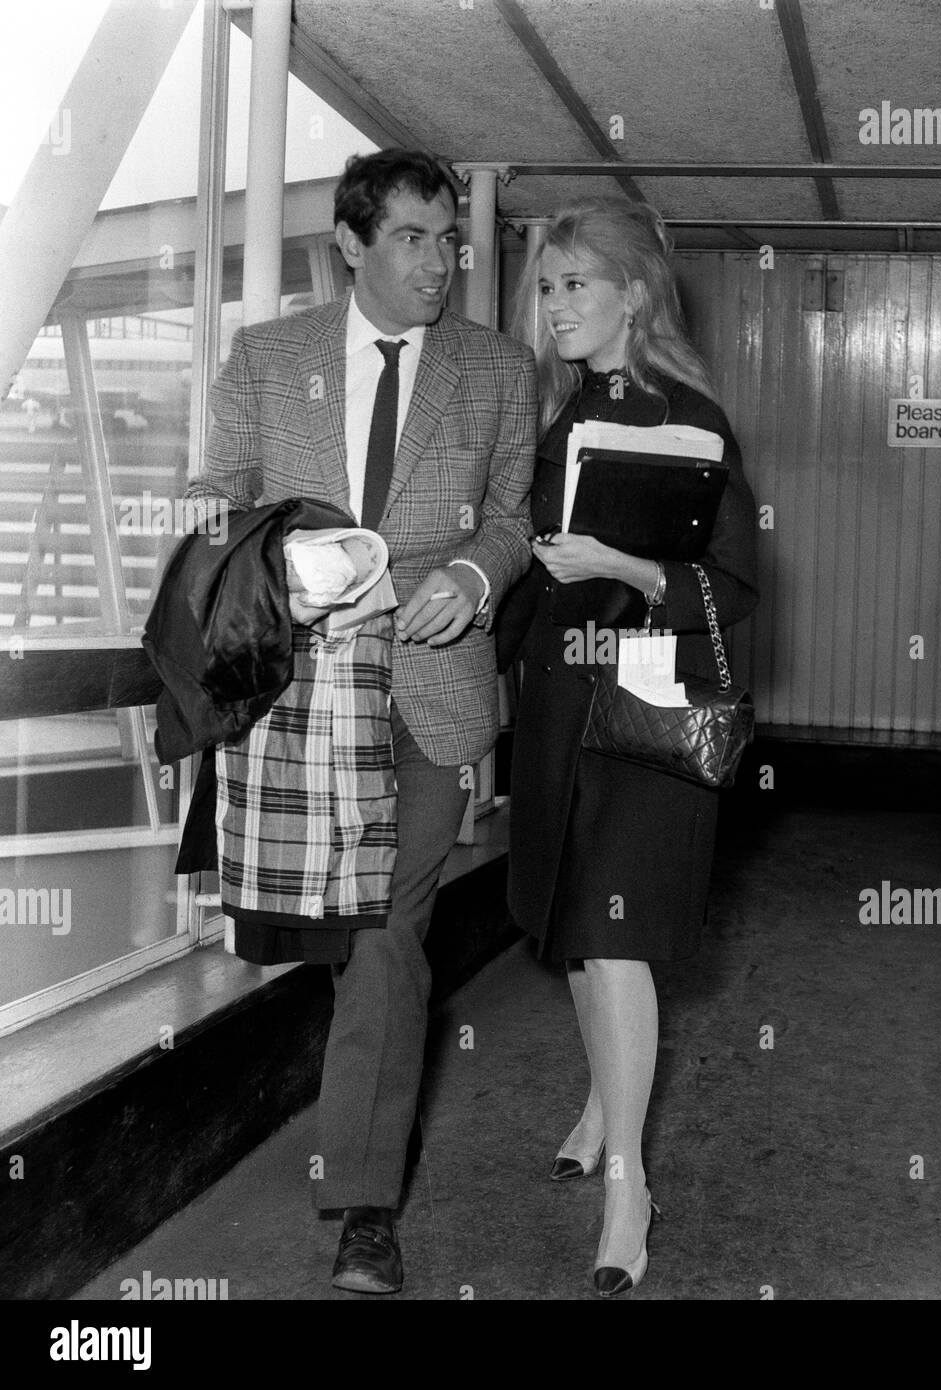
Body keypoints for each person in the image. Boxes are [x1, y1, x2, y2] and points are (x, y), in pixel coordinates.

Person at [188, 149, 537, 1294]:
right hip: (294, 702)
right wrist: (273, 559)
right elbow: (210, 501)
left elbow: (511, 519)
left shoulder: (497, 369)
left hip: (429, 700)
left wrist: (478, 582)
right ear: (349, 243)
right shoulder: (266, 355)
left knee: (388, 935)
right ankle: (360, 1126)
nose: (438, 262)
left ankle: (360, 1202)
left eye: (449, 241)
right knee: (329, 942)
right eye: (410, 238)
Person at [498, 197, 758, 1296]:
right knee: (571, 916)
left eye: (575, 285)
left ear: (633, 295)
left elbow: (734, 585)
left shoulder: (690, 418)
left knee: (616, 935)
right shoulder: (557, 413)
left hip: (647, 706)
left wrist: (626, 562)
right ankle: (606, 1094)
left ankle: (628, 1182)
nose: (552, 305)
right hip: (560, 698)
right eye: (545, 286)